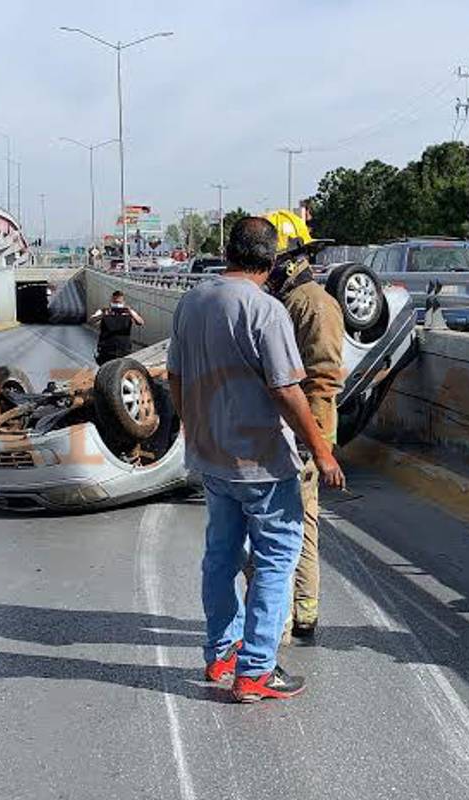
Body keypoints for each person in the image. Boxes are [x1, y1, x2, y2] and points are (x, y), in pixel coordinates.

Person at [167, 216, 345, 703]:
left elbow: (175, 377)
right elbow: (287, 390)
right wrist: (323, 451)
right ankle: (256, 671)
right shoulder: (266, 310)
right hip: (263, 464)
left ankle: (221, 653)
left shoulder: (191, 302)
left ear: (229, 252)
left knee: (221, 558)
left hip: (212, 458)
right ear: (272, 260)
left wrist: (194, 426)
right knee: (275, 560)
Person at [262, 209, 344, 641]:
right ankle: (299, 610)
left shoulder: (313, 304)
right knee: (296, 521)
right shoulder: (288, 302)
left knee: (294, 524)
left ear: (290, 259)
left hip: (304, 433)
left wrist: (311, 441)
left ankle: (296, 613)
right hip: (292, 430)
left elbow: (323, 379)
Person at [90, 290, 145, 365]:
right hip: (106, 350)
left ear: (123, 303)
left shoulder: (128, 312)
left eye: (119, 302)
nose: (116, 304)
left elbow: (140, 322)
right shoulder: (104, 311)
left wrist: (130, 312)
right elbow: (91, 321)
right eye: (114, 302)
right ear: (111, 302)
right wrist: (103, 315)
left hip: (124, 350)